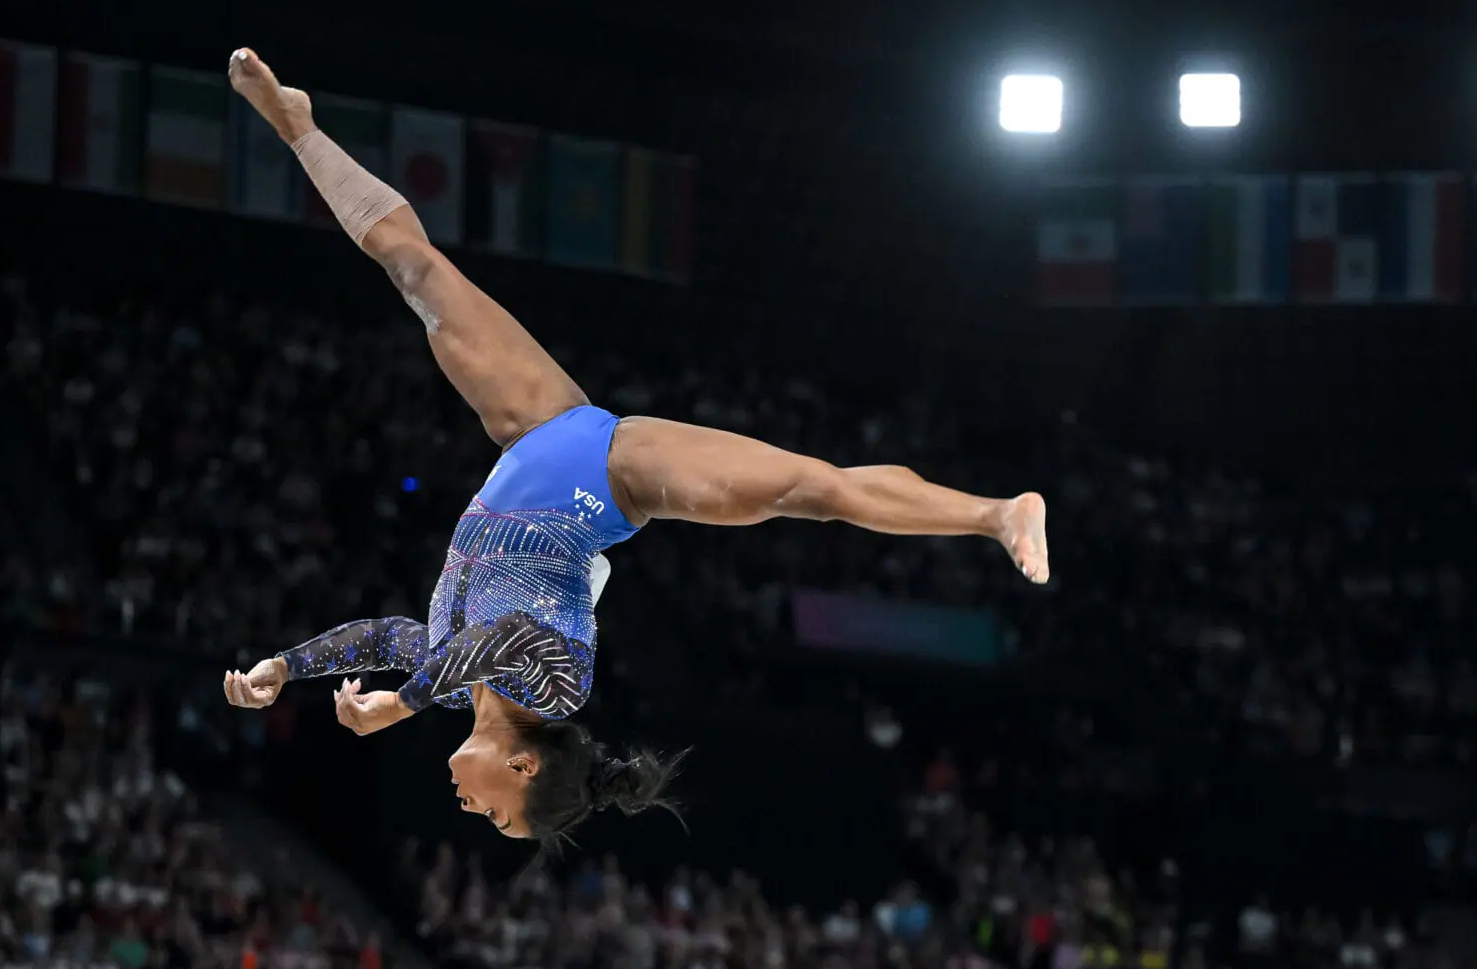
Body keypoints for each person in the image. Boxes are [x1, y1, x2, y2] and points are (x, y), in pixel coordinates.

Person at [221, 48, 1050, 847]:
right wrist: (402, 705)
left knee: (418, 273)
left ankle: (298, 127)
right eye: (502, 817)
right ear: (522, 766)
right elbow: (495, 641)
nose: (474, 813)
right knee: (809, 489)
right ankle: (994, 513)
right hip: (608, 480)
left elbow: (391, 637)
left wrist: (288, 669)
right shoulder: (556, 693)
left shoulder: (449, 687)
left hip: (536, 434)